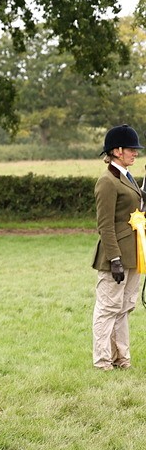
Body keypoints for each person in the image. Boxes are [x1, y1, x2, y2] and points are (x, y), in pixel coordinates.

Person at [92, 124, 144, 370]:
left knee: (124, 308)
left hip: (133, 253)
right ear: (117, 150)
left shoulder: (126, 176)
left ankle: (121, 359)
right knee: (107, 308)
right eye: (131, 149)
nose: (135, 153)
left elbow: (134, 211)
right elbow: (105, 225)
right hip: (116, 256)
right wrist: (114, 258)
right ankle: (102, 361)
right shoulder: (107, 181)